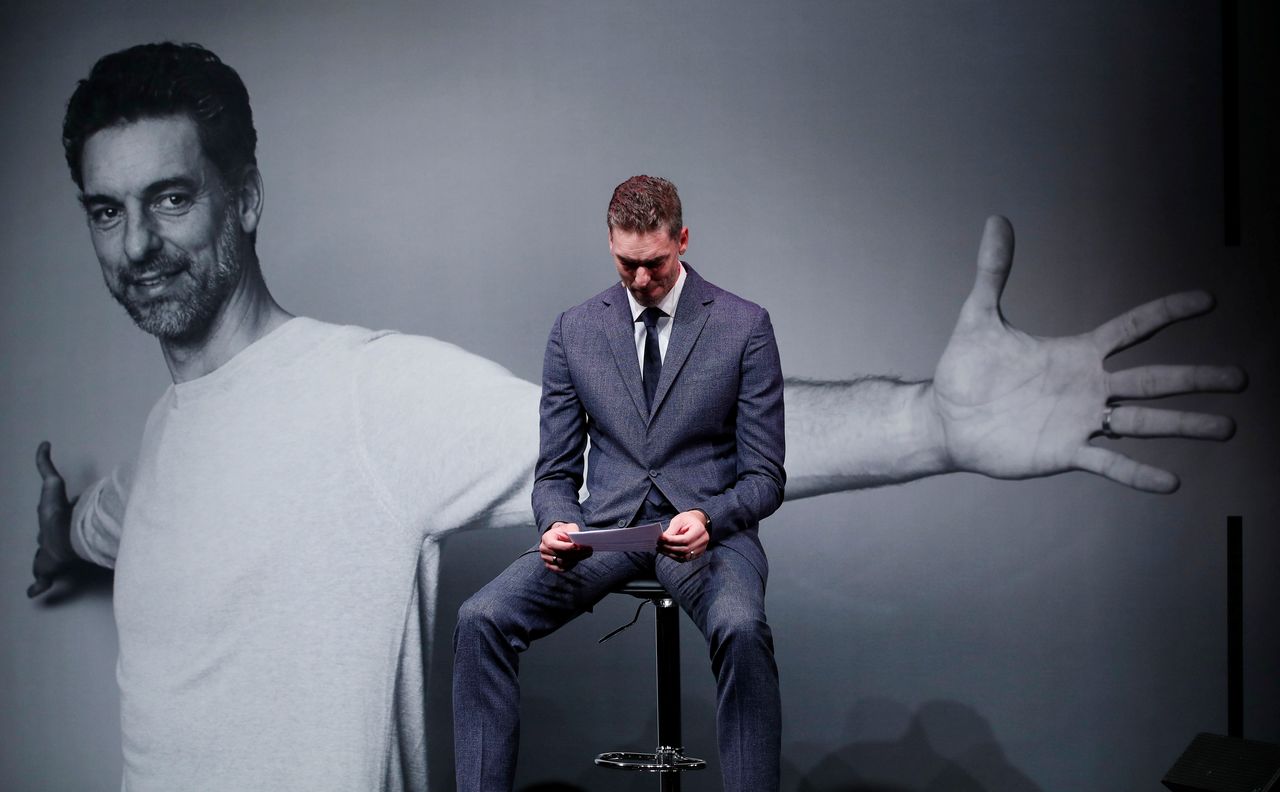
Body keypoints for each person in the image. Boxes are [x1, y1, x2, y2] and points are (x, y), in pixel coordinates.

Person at [27, 42, 1243, 792]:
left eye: (171, 198)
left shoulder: (361, 395)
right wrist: (59, 530)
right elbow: (104, 529)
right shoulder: (160, 448)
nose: (137, 246)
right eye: (105, 211)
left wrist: (932, 424)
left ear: (243, 199)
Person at [453, 175, 786, 791]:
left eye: (654, 264)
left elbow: (766, 477)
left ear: (682, 240)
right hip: (603, 533)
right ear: (611, 246)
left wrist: (710, 518)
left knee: (742, 630)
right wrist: (556, 522)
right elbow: (554, 471)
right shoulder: (574, 330)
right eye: (625, 264)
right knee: (481, 619)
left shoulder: (745, 326)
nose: (639, 281)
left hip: (707, 536)